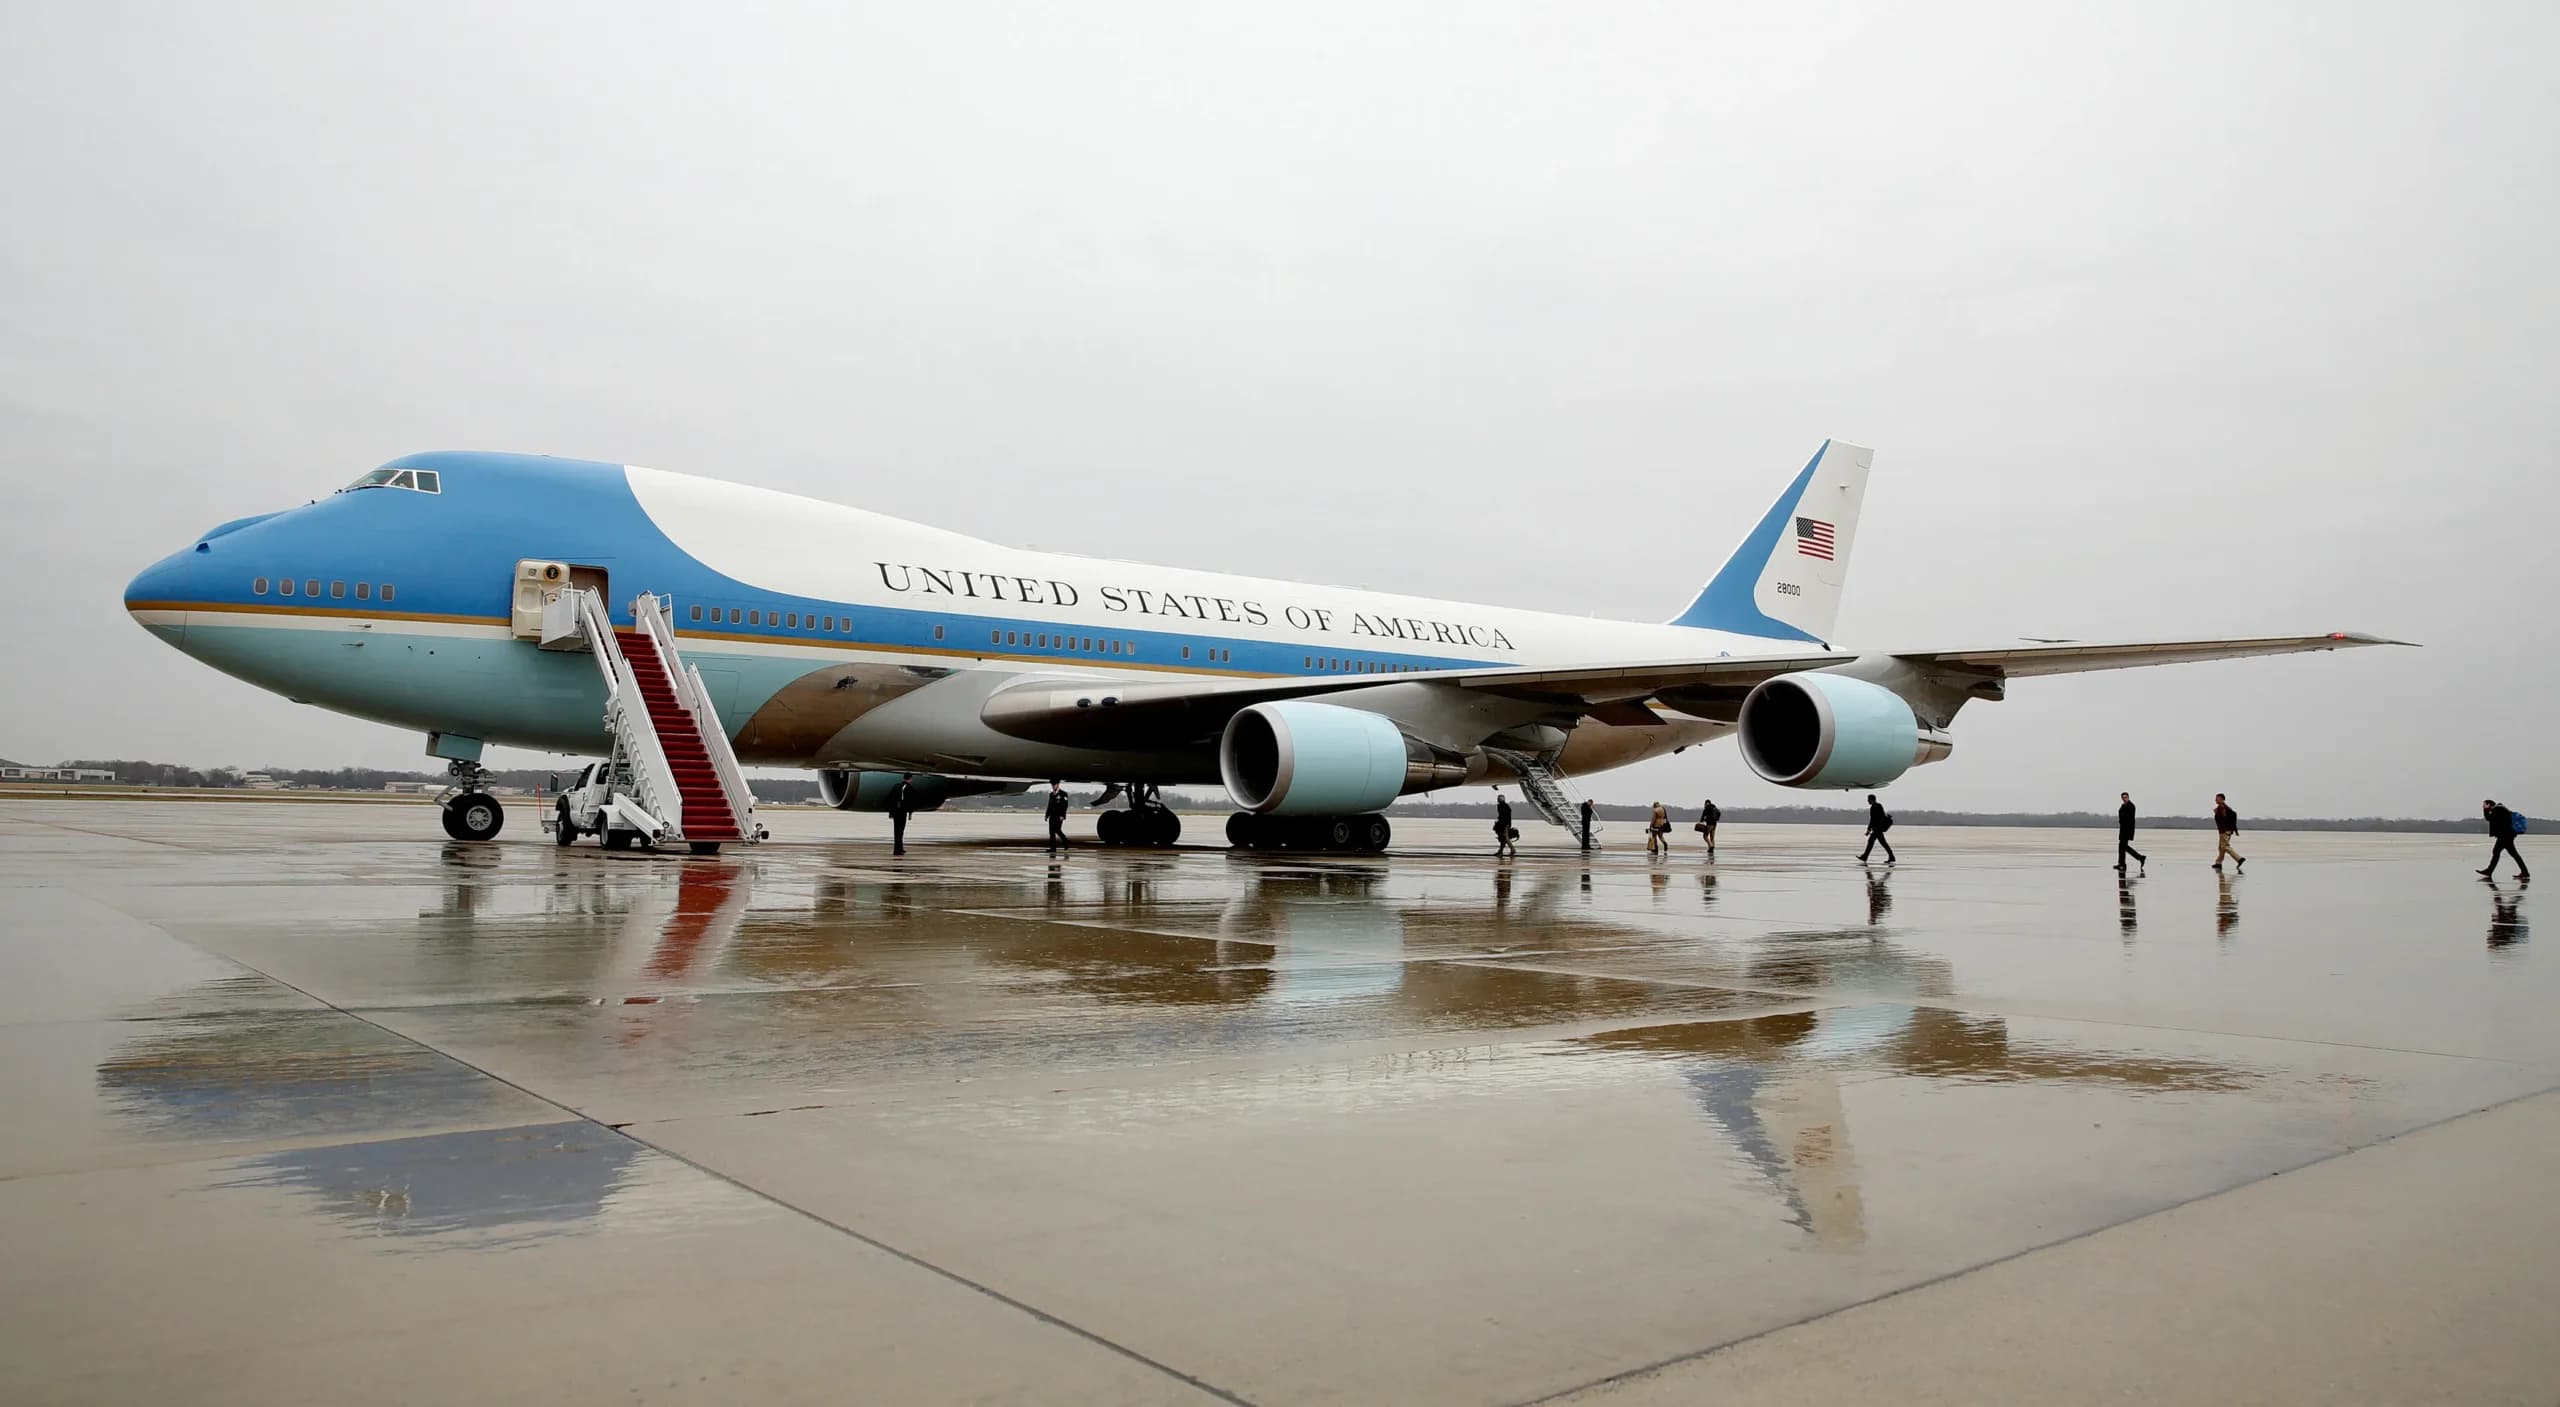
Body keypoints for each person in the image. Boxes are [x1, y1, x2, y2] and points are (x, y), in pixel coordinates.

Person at [2481, 799, 2530, 880]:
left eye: (2484, 804)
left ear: (2489, 804)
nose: (2483, 806)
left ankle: (2489, 871)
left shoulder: (2498, 809)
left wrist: (2485, 810)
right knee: (2512, 854)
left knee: (2497, 852)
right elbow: (2491, 819)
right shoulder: (2499, 809)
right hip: (2507, 835)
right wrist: (2486, 810)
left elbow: (2490, 818)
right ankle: (2525, 872)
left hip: (2505, 835)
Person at [2211, 793, 2245, 872]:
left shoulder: (2222, 807)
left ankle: (2239, 859)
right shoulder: (2221, 807)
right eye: (2216, 798)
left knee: (2224, 846)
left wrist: (2217, 813)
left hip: (2225, 831)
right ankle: (2218, 863)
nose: (2216, 800)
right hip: (2224, 830)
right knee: (2221, 847)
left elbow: (2224, 819)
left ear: (2222, 799)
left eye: (2217, 798)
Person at [1859, 794, 1896, 863]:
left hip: (1877, 829)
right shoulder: (1878, 806)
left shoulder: (1874, 807)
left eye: (1868, 800)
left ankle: (1865, 856)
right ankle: (1891, 856)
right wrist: (1870, 829)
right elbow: (1878, 817)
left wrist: (1869, 829)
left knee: (1875, 842)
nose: (1867, 801)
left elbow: (1873, 819)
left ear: (1872, 800)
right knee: (1880, 843)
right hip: (1878, 828)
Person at [2115, 792, 2147, 873]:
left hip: (2127, 829)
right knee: (2121, 846)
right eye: (2123, 797)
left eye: (2126, 797)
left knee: (2123, 846)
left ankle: (2139, 858)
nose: (2124, 798)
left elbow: (2128, 818)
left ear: (2128, 797)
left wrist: (2122, 821)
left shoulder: (2131, 806)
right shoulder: (2123, 805)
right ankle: (2122, 864)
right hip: (2123, 829)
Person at [887, 773, 915, 856]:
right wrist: (910, 812)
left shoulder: (896, 786)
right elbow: (909, 801)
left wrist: (890, 812)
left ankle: (899, 848)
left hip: (895, 812)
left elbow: (890, 798)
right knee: (900, 831)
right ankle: (897, 849)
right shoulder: (908, 788)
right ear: (910, 779)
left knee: (897, 831)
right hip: (902, 812)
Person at [1044, 779, 1070, 852]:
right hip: (1052, 816)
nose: (1053, 786)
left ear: (1058, 785)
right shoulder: (1051, 794)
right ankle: (1053, 848)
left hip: (1059, 816)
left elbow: (1065, 806)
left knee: (1058, 830)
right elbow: (1049, 806)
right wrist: (1047, 815)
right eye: (1052, 785)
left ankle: (1066, 842)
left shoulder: (1063, 794)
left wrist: (1063, 815)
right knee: (1051, 832)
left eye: (1054, 785)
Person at [1494, 791, 1517, 858]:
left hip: (1503, 825)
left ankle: (1513, 849)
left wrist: (1502, 824)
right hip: (1505, 824)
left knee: (1505, 838)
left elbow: (1503, 816)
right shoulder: (1506, 806)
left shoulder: (1501, 806)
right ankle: (1500, 851)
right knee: (1503, 838)